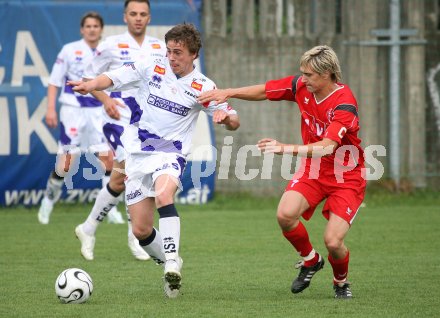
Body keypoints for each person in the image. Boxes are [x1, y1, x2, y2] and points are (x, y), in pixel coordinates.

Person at [70, 23, 240, 298]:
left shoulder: (203, 87)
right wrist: (91, 85)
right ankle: (170, 265)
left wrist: (227, 119)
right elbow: (113, 77)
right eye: (169, 51)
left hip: (170, 152)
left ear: (194, 54)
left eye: (179, 53)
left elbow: (233, 118)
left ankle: (171, 261)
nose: (172, 57)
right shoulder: (152, 66)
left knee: (164, 195)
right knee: (140, 229)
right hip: (137, 152)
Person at [197, 45, 366, 299]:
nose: (303, 79)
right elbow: (265, 90)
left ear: (327, 73)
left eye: (309, 74)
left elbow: (326, 147)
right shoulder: (302, 87)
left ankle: (341, 282)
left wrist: (283, 148)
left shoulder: (344, 104)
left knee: (333, 241)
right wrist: (229, 92)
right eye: (303, 73)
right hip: (314, 170)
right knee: (285, 215)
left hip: (346, 176)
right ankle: (310, 260)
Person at [74, 0, 167, 261]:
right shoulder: (110, 44)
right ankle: (134, 235)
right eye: (133, 14)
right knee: (129, 172)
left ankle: (88, 228)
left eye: (143, 14)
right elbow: (87, 78)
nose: (138, 18)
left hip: (147, 121)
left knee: (120, 178)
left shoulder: (159, 47)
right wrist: (106, 101)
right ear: (125, 17)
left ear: (149, 18)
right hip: (120, 117)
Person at [38, 12, 115, 225]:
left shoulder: (107, 52)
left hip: (98, 110)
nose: (92, 29)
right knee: (66, 163)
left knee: (108, 158)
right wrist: (51, 109)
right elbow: (54, 81)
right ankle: (48, 201)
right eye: (88, 26)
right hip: (72, 110)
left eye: (96, 26)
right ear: (82, 30)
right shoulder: (69, 50)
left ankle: (109, 208)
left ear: (101, 29)